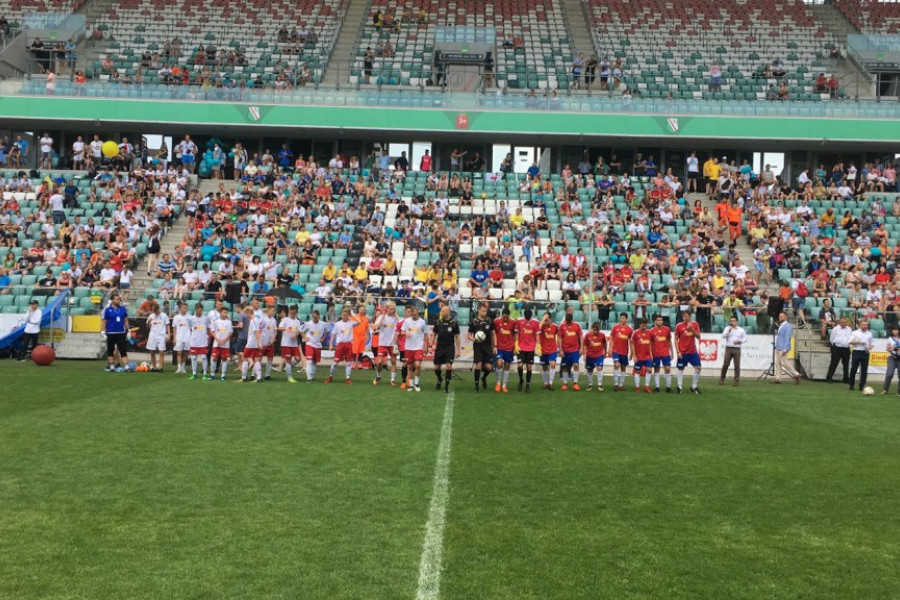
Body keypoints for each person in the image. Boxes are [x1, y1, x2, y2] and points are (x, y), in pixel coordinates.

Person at [430, 305, 460, 393]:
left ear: (448, 312)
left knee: (448, 366)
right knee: (436, 367)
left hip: (450, 347)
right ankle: (439, 379)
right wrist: (430, 344)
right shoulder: (438, 322)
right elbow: (434, 334)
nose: (441, 313)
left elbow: (457, 337)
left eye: (443, 311)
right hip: (440, 347)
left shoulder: (454, 323)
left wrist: (458, 350)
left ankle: (446, 386)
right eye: (441, 311)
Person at [327, 307, 360, 384]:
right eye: (342, 315)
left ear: (348, 315)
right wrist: (330, 344)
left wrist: (352, 313)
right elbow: (333, 334)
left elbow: (359, 321)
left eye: (345, 315)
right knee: (335, 363)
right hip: (340, 345)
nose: (343, 316)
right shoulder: (338, 324)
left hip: (348, 344)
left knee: (348, 363)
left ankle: (347, 378)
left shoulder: (351, 323)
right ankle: (330, 376)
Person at [674, 310, 703, 394]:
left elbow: (698, 337)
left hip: (692, 351)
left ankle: (694, 386)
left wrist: (692, 329)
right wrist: (678, 351)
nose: (684, 318)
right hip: (682, 351)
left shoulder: (695, 324)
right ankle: (679, 387)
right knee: (680, 368)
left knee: (698, 368)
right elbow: (675, 339)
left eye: (686, 316)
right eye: (683, 317)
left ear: (690, 316)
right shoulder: (679, 326)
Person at [468, 302, 494, 392]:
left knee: (489, 367)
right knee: (478, 366)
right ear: (478, 310)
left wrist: (495, 346)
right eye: (483, 311)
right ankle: (476, 385)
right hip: (478, 346)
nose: (484, 313)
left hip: (487, 347)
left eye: (485, 311)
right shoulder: (474, 321)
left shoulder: (489, 321)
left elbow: (493, 334)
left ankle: (483, 378)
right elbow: (469, 335)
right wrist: (474, 339)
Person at [401, 305, 427, 392]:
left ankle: (417, 383)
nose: (413, 316)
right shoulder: (407, 321)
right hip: (408, 347)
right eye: (412, 314)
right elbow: (402, 331)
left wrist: (426, 346)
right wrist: (405, 333)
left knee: (418, 365)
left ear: (418, 313)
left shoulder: (422, 322)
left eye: (415, 314)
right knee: (410, 367)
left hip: (418, 347)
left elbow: (426, 334)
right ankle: (411, 385)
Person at [372, 303, 399, 386]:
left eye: (394, 308)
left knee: (393, 361)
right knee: (379, 362)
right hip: (382, 343)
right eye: (391, 308)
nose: (393, 310)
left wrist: (397, 315)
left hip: (392, 343)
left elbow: (402, 324)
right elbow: (375, 327)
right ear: (386, 308)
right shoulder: (381, 317)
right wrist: (382, 317)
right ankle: (378, 375)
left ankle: (393, 379)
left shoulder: (396, 318)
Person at [101, 294, 130, 372]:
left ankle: (126, 366)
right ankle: (111, 365)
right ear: (112, 300)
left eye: (118, 299)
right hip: (110, 332)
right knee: (110, 349)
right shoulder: (107, 310)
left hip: (120, 332)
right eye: (116, 299)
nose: (118, 301)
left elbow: (126, 320)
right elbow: (104, 321)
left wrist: (128, 330)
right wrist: (103, 332)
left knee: (122, 349)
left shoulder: (123, 309)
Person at [493, 308, 518, 393]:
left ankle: (504, 385)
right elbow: (494, 333)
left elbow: (515, 334)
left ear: (509, 315)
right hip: (500, 347)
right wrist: (494, 345)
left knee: (507, 366)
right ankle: (498, 383)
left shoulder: (513, 322)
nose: (505, 319)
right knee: (499, 363)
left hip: (509, 347)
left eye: (507, 317)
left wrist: (515, 345)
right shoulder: (496, 321)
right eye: (504, 317)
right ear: (502, 315)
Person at [773, 311, 801, 385]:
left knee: (784, 363)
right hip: (778, 346)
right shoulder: (781, 325)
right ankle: (777, 378)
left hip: (782, 347)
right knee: (778, 363)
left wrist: (785, 348)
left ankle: (796, 374)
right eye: (780, 316)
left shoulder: (788, 326)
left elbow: (787, 337)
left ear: (786, 317)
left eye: (782, 316)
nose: (780, 317)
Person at [515, 308, 540, 392]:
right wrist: (516, 343)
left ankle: (528, 385)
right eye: (526, 317)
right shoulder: (519, 321)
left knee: (529, 366)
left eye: (528, 317)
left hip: (531, 348)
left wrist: (538, 345)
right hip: (521, 347)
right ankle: (521, 380)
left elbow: (537, 334)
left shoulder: (536, 322)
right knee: (520, 365)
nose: (527, 318)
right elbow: (517, 333)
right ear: (524, 315)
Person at [557, 312, 583, 391]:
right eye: (567, 322)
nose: (568, 323)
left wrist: (581, 348)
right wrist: (560, 350)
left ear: (572, 320)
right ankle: (565, 384)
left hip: (575, 350)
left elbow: (581, 336)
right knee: (565, 367)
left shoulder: (577, 325)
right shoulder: (562, 326)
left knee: (575, 365)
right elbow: (560, 338)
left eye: (569, 321)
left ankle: (575, 383)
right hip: (565, 350)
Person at [277, 305, 303, 383]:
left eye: (293, 313)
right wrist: (285, 328)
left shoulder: (298, 321)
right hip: (286, 344)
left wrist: (296, 335)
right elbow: (279, 328)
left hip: (294, 344)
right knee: (288, 359)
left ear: (296, 313)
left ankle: (288, 368)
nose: (292, 314)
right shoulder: (285, 320)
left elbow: (298, 331)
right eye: (291, 313)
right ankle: (289, 377)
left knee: (298, 358)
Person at [650, 314, 675, 393]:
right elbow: (650, 344)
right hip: (656, 353)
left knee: (667, 368)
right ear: (655, 321)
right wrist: (651, 354)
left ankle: (668, 387)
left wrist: (672, 352)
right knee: (656, 369)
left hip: (665, 353)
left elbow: (669, 341)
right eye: (658, 320)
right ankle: (657, 387)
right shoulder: (651, 331)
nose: (660, 322)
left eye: (661, 320)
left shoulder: (667, 329)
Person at [720, 315, 747, 386]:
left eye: (733, 321)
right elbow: (723, 336)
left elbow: (745, 339)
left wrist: (739, 341)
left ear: (737, 322)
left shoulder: (741, 330)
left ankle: (736, 381)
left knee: (737, 366)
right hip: (728, 348)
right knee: (726, 364)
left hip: (737, 348)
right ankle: (722, 378)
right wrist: (729, 331)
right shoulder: (727, 328)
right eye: (731, 321)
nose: (732, 322)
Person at [848, 319, 874, 392]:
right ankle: (851, 385)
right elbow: (850, 342)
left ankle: (862, 386)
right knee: (854, 369)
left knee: (864, 370)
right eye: (863, 325)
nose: (865, 326)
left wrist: (870, 347)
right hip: (856, 352)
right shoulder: (855, 333)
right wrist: (857, 342)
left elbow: (872, 343)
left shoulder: (870, 334)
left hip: (865, 353)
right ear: (860, 325)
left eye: (866, 325)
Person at [609, 312, 633, 391]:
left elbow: (630, 341)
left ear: (626, 319)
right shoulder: (615, 328)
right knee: (616, 365)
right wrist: (610, 349)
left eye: (623, 318)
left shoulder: (629, 330)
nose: (622, 320)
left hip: (624, 351)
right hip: (616, 350)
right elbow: (611, 338)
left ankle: (621, 385)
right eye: (621, 318)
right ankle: (615, 384)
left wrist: (631, 352)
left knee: (623, 367)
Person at [302, 310, 327, 382]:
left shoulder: (323, 324)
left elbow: (327, 331)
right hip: (309, 344)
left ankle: (312, 376)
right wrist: (304, 337)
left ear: (319, 316)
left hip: (318, 345)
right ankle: (309, 378)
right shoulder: (308, 323)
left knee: (314, 362)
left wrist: (323, 338)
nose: (315, 319)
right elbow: (300, 330)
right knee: (309, 361)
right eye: (313, 317)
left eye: (316, 317)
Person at [238, 306, 263, 383]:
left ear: (249, 312)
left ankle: (244, 377)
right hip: (254, 343)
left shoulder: (254, 320)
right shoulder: (256, 320)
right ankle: (258, 377)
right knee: (256, 359)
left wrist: (259, 343)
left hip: (251, 344)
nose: (246, 315)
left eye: (246, 313)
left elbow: (257, 332)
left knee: (244, 358)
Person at [825, 317, 852, 384]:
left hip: (846, 348)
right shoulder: (835, 329)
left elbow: (851, 338)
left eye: (845, 322)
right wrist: (834, 347)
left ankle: (846, 378)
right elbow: (832, 339)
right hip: (837, 348)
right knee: (834, 363)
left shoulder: (849, 329)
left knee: (846, 364)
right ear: (839, 322)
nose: (844, 323)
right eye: (843, 322)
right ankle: (829, 377)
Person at [630, 318, 654, 393]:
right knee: (637, 371)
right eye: (643, 325)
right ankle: (637, 387)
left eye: (645, 325)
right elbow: (632, 344)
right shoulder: (635, 333)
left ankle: (646, 387)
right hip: (639, 356)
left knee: (649, 370)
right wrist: (633, 355)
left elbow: (650, 343)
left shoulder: (649, 333)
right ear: (640, 324)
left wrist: (651, 353)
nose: (644, 326)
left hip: (647, 356)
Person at [582, 321, 607, 392]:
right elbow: (584, 345)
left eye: (597, 330)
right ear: (592, 328)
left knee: (599, 368)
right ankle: (590, 385)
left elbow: (605, 344)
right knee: (590, 370)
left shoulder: (602, 335)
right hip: (590, 355)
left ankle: (600, 385)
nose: (596, 332)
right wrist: (584, 355)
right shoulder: (587, 336)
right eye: (594, 330)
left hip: (599, 355)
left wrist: (605, 352)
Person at [210, 306, 233, 381]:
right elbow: (212, 331)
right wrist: (217, 339)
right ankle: (212, 374)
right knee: (214, 358)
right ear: (220, 313)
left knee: (224, 359)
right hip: (216, 343)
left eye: (226, 313)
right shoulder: (216, 322)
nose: (225, 314)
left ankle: (223, 375)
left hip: (225, 344)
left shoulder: (229, 322)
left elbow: (230, 332)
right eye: (224, 312)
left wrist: (225, 339)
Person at [188, 303, 210, 380]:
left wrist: (208, 337)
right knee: (194, 357)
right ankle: (194, 374)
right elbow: (190, 329)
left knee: (204, 357)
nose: (200, 311)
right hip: (194, 341)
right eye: (199, 310)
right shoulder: (191, 319)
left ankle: (204, 374)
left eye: (201, 310)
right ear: (196, 309)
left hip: (203, 341)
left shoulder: (206, 318)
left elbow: (208, 328)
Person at [146, 304, 171, 373]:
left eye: (155, 311)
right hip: (152, 336)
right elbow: (147, 327)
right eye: (153, 311)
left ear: (158, 309)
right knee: (152, 352)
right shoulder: (151, 316)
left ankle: (160, 367)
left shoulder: (164, 315)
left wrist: (168, 335)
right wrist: (148, 322)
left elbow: (167, 325)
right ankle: (154, 367)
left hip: (161, 336)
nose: (155, 312)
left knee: (161, 351)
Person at [538, 311, 559, 390]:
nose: (545, 321)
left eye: (547, 319)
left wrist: (559, 346)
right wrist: (543, 319)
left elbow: (559, 336)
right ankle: (545, 383)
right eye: (544, 320)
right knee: (544, 367)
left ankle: (550, 383)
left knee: (553, 364)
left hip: (552, 350)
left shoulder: (555, 327)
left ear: (551, 319)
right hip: (543, 350)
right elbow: (538, 327)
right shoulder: (542, 326)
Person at [171, 302, 192, 374]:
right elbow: (174, 328)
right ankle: (179, 368)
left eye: (186, 308)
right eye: (183, 308)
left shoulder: (190, 317)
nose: (185, 309)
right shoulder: (176, 317)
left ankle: (183, 368)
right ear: (180, 308)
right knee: (179, 353)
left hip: (187, 337)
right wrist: (174, 338)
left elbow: (192, 328)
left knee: (185, 353)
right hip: (179, 337)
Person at [260, 304, 278, 380]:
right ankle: (254, 374)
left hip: (270, 344)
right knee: (258, 358)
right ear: (268, 310)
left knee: (270, 359)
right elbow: (259, 330)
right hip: (262, 342)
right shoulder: (263, 319)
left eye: (274, 311)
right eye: (272, 311)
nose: (273, 312)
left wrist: (273, 338)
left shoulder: (274, 320)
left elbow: (275, 330)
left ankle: (267, 375)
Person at [882, 327, 900, 395]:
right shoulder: (890, 339)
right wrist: (892, 349)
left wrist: (896, 348)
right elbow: (887, 348)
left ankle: (899, 391)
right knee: (889, 374)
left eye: (896, 330)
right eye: (893, 330)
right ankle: (885, 389)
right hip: (892, 357)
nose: (894, 331)